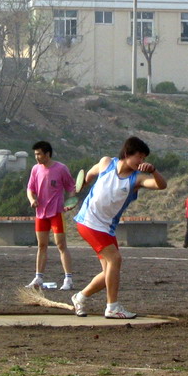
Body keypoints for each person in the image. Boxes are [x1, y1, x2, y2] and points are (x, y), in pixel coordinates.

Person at [71, 136, 167, 319]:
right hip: (88, 221)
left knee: (109, 272)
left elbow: (161, 185)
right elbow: (90, 173)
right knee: (115, 260)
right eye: (139, 156)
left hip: (106, 228)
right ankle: (112, 307)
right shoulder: (106, 163)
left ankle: (80, 297)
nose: (142, 161)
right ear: (127, 153)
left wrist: (154, 171)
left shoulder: (137, 178)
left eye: (144, 158)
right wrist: (83, 183)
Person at [26, 141, 76, 291]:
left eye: (39, 154)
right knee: (42, 245)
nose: (37, 157)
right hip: (41, 214)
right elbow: (30, 189)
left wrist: (71, 202)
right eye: (35, 154)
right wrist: (32, 200)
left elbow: (71, 188)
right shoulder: (35, 169)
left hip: (56, 213)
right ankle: (38, 278)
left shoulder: (61, 168)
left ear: (47, 154)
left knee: (61, 245)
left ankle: (68, 279)